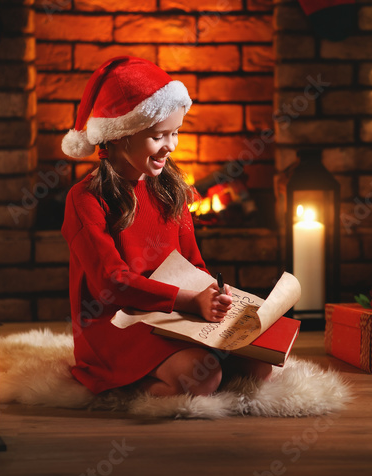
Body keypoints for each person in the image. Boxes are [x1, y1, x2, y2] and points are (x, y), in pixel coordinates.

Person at [60, 56, 271, 397]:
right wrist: (189, 302)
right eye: (158, 136)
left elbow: (194, 265)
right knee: (203, 378)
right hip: (117, 322)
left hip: (173, 314)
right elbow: (110, 284)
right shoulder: (84, 198)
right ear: (120, 135)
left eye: (175, 133)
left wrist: (214, 297)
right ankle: (122, 387)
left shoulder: (172, 190)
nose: (170, 146)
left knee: (261, 366)